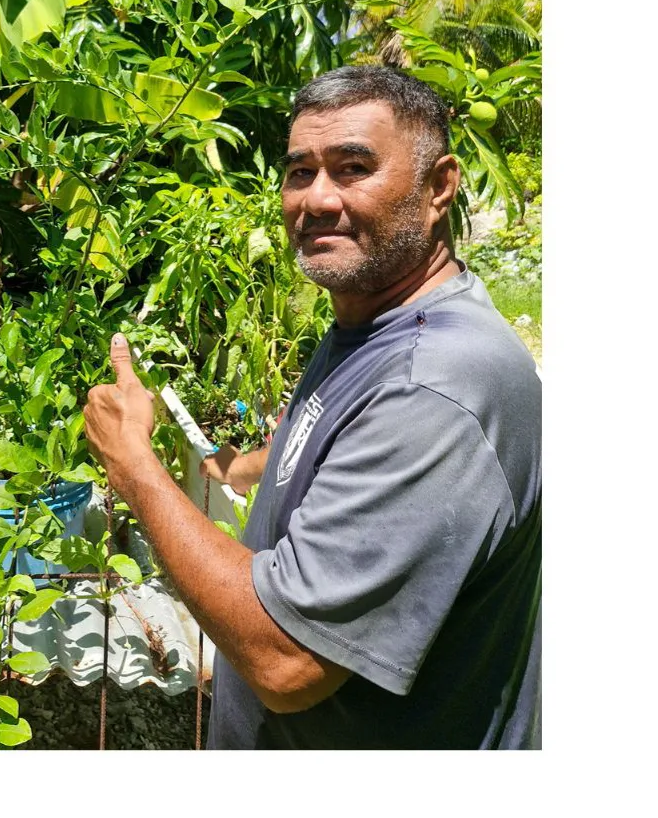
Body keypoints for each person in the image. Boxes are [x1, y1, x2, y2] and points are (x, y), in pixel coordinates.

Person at [80, 65, 540, 749]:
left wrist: (135, 463)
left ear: (439, 186)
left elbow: (285, 657)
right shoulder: (375, 320)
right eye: (300, 171)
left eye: (353, 166)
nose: (317, 198)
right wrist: (252, 467)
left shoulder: (433, 387)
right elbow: (337, 434)